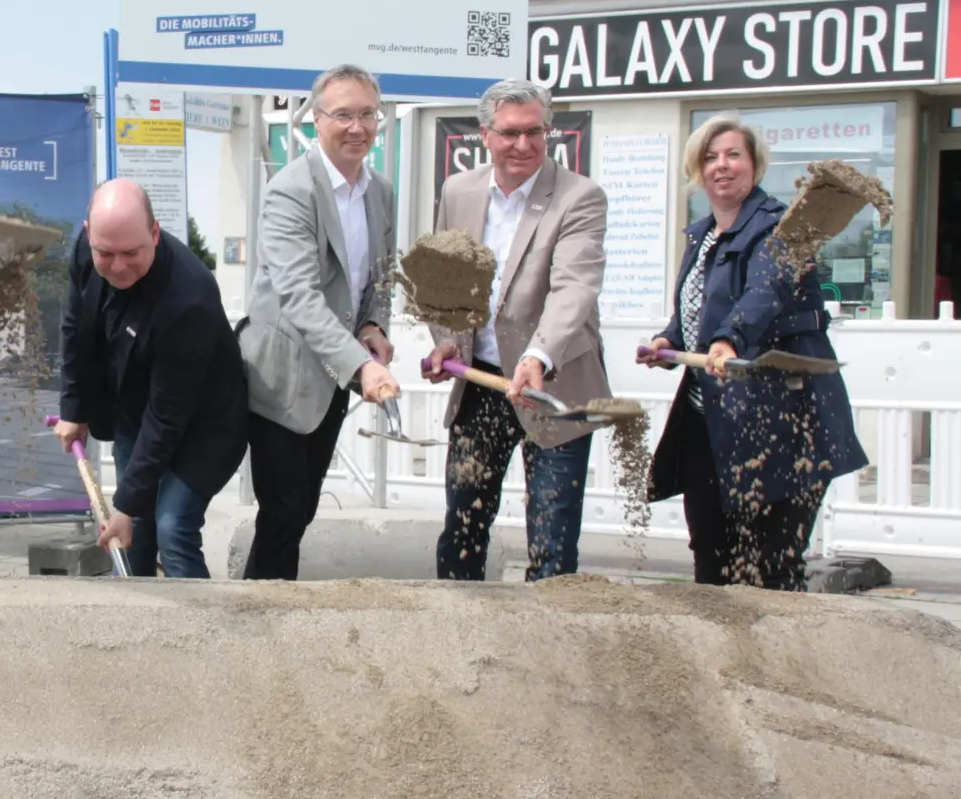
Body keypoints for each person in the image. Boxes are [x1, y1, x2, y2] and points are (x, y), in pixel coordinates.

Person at [636, 113, 866, 591]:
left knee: (770, 564)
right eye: (710, 157)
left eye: (733, 154)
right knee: (712, 557)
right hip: (711, 419)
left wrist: (730, 338)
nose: (722, 165)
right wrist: (669, 339)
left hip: (784, 416)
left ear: (755, 165)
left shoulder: (785, 228)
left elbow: (767, 288)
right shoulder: (701, 237)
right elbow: (698, 307)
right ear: (697, 170)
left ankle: (781, 664)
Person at [423, 78, 610, 582]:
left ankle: (547, 648)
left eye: (535, 132)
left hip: (554, 383)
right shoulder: (458, 191)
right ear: (484, 134)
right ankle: (458, 634)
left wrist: (538, 356)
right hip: (481, 383)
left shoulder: (579, 197)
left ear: (548, 131)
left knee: (551, 539)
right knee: (463, 526)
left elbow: (574, 287)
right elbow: (447, 281)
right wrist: (445, 339)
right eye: (509, 133)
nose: (523, 145)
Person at [237, 64, 399, 581]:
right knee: (283, 510)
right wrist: (362, 367)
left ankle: (255, 603)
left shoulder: (380, 193)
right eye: (343, 115)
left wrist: (374, 327)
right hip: (278, 379)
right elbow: (299, 297)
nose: (357, 127)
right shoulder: (290, 191)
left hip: (332, 378)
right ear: (315, 119)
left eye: (368, 115)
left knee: (300, 509)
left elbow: (382, 276)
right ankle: (268, 621)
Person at [54, 180, 249, 578]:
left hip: (203, 423)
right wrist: (74, 409)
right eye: (105, 253)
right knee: (134, 526)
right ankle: (134, 620)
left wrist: (125, 507)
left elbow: (168, 417)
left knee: (172, 525)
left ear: (155, 234)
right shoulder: (86, 251)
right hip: (134, 409)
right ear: (89, 235)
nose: (119, 265)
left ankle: (200, 629)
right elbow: (75, 331)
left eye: (132, 252)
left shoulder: (188, 299)